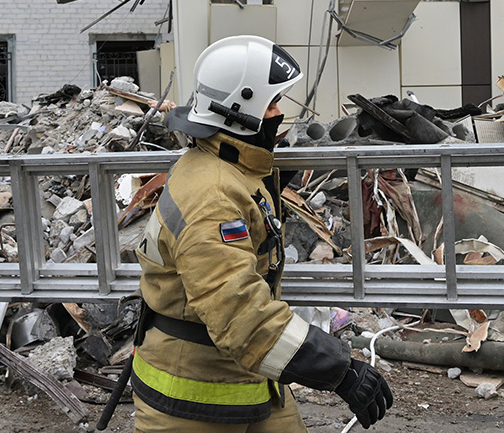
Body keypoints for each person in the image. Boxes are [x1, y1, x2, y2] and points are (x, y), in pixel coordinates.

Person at [130, 35, 393, 432]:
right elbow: (239, 312)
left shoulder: (225, 166)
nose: (279, 112)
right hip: (192, 397)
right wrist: (340, 370)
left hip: (251, 378)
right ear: (240, 113)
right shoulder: (213, 196)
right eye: (271, 104)